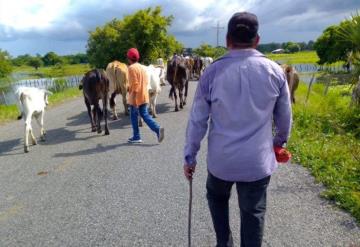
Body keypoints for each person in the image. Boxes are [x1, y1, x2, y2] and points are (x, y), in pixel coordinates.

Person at [183, 12, 292, 247]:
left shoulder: (211, 73)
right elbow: (284, 120)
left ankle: (224, 243)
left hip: (221, 162)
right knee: (253, 213)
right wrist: (278, 144)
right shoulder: (275, 72)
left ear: (227, 40)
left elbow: (197, 121)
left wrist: (190, 156)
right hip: (257, 163)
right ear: (257, 40)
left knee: (217, 198)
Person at [126, 48, 164, 144]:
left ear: (129, 58)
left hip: (135, 97)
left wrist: (133, 100)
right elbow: (146, 81)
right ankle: (157, 130)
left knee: (134, 116)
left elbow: (135, 85)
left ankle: (137, 136)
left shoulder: (131, 68)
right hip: (144, 94)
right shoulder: (142, 67)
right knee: (145, 114)